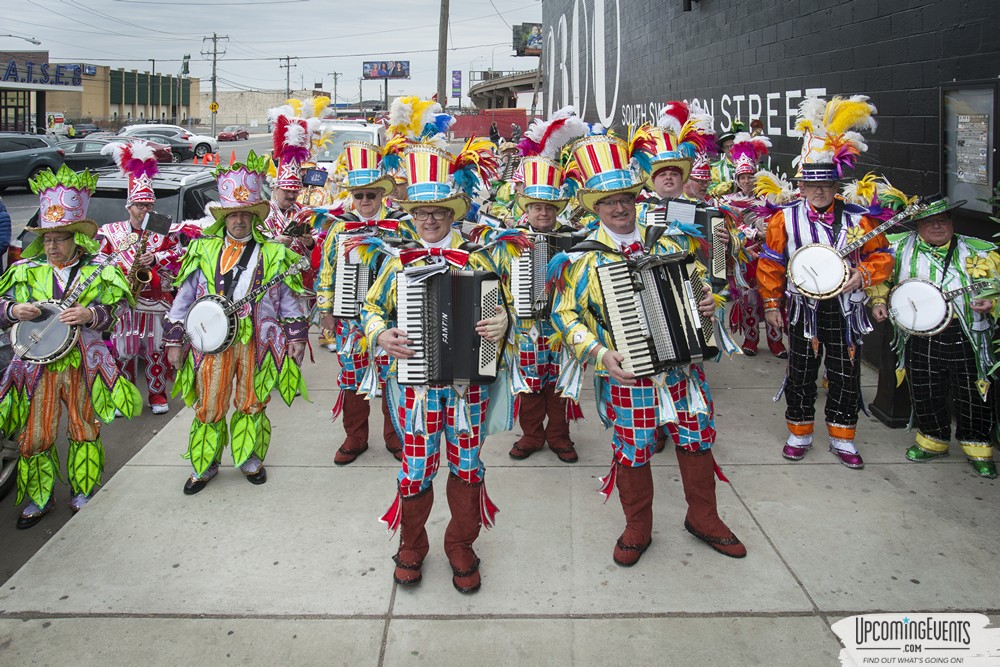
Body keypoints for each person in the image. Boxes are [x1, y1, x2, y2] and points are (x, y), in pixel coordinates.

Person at [550, 132, 747, 566]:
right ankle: (638, 527)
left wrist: (709, 302)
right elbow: (564, 317)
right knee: (633, 449)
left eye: (624, 198)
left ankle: (704, 518)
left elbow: (701, 284)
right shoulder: (582, 258)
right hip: (628, 373)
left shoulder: (672, 239)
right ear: (595, 208)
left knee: (696, 440)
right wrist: (600, 354)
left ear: (635, 199)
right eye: (607, 202)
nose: (619, 208)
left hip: (682, 370)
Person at [362, 131, 509, 594]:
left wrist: (502, 323)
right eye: (422, 212)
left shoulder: (479, 259)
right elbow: (371, 309)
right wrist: (379, 334)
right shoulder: (396, 262)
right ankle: (411, 545)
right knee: (416, 467)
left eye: (439, 212)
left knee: (468, 466)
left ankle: (461, 543)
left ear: (451, 216)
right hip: (415, 389)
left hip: (468, 385)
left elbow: (507, 315)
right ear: (414, 216)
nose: (429, 219)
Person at [0, 165, 141, 528]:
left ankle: (84, 489)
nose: (51, 245)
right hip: (36, 367)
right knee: (35, 435)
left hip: (83, 364)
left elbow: (118, 311)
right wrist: (14, 310)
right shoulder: (25, 270)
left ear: (76, 239)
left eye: (59, 238)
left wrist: (91, 315)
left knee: (84, 428)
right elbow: (1, 308)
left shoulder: (102, 269)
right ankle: (39, 497)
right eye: (47, 238)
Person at [164, 153, 309, 494]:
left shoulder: (273, 253)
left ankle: (249, 458)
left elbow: (288, 300)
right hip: (211, 344)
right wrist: (174, 340)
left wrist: (296, 336)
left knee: (252, 400)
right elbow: (183, 300)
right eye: (233, 214)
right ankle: (205, 463)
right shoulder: (202, 251)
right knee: (209, 403)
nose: (239, 220)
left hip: (256, 341)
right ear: (224, 217)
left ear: (254, 217)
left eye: (245, 214)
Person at [757, 95, 888, 469]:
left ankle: (843, 437)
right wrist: (771, 306)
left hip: (845, 309)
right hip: (803, 310)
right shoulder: (784, 220)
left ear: (836, 186)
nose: (819, 192)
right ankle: (799, 432)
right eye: (812, 185)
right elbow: (770, 265)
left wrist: (862, 275)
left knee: (845, 374)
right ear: (801, 186)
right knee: (800, 372)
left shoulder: (859, 220)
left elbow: (882, 256)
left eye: (826, 185)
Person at [480, 110, 588, 463]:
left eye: (549, 207)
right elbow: (493, 279)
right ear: (527, 208)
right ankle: (531, 435)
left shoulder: (572, 239)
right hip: (523, 325)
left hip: (560, 324)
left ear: (557, 209)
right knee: (527, 384)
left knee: (559, 384)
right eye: (537, 206)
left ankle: (559, 436)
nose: (543, 212)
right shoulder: (509, 240)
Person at [869, 194, 998, 478]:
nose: (937, 226)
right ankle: (932, 440)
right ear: (917, 226)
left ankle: (977, 445)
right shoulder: (897, 248)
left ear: (952, 222)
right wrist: (879, 302)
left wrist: (992, 303)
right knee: (926, 388)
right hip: (920, 335)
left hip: (966, 333)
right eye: (929, 222)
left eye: (943, 220)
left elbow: (997, 287)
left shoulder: (980, 251)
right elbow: (880, 279)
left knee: (972, 392)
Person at [316, 140, 415, 465]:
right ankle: (354, 437)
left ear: (381, 194)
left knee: (393, 379)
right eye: (359, 195)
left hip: (392, 319)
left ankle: (394, 436)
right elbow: (327, 270)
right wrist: (326, 311)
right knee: (353, 380)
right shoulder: (340, 227)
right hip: (350, 320)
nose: (365, 201)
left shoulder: (401, 225)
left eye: (370, 194)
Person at [98, 139, 185, 415]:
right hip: (125, 305)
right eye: (139, 205)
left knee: (154, 352)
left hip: (154, 304)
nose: (144, 210)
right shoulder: (111, 231)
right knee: (123, 354)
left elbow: (180, 254)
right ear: (129, 206)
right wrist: (120, 272)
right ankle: (125, 398)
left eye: (148, 205)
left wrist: (156, 258)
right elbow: (99, 262)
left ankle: (157, 395)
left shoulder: (162, 228)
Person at [718, 132, 786, 358]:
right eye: (742, 177)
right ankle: (750, 339)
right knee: (748, 301)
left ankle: (776, 341)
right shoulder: (726, 202)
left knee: (771, 298)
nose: (747, 181)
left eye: (750, 176)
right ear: (736, 180)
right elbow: (726, 228)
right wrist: (750, 233)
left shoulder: (769, 201)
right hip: (743, 259)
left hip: (767, 257)